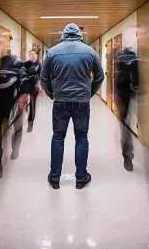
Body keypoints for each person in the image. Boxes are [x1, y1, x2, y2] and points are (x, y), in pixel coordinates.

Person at [40, 23, 104, 190]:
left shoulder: (53, 52)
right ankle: (81, 178)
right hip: (82, 102)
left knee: (57, 137)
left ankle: (55, 177)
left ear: (63, 35)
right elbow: (100, 76)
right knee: (81, 138)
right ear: (79, 35)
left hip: (60, 101)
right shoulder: (89, 51)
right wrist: (89, 93)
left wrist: (51, 93)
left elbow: (43, 77)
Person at [0, 46, 30, 188]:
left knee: (17, 128)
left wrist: (23, 97)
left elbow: (24, 81)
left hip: (15, 102)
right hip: (0, 105)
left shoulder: (16, 61)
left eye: (1, 44)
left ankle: (15, 147)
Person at [114, 47, 139, 172]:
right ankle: (127, 154)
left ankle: (127, 154)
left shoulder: (122, 61)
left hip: (123, 95)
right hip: (130, 94)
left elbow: (118, 82)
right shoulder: (133, 60)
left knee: (125, 125)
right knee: (126, 125)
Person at [26, 49, 41, 133]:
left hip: (34, 87)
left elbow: (41, 76)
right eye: (30, 54)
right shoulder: (26, 64)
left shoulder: (39, 65)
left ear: (36, 56)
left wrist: (39, 85)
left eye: (33, 54)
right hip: (25, 86)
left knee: (32, 103)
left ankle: (30, 121)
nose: (32, 56)